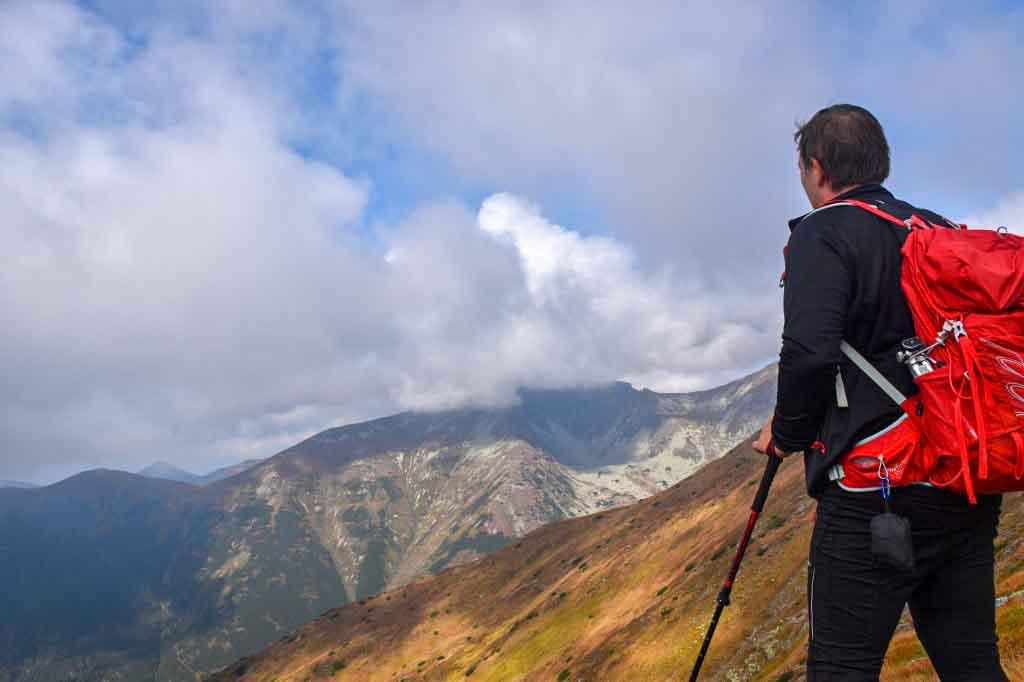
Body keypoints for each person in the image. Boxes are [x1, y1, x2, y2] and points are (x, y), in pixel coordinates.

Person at [752, 104, 1007, 681]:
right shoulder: (936, 228)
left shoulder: (822, 232)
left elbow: (810, 353)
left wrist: (788, 433)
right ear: (879, 163)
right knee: (970, 661)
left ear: (815, 167)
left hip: (875, 489)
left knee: (841, 667)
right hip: (961, 476)